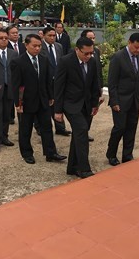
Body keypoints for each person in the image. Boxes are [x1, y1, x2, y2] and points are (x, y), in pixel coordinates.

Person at [10, 34, 66, 164]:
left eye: (39, 46)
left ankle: (51, 153)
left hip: (43, 100)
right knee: (25, 129)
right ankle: (27, 153)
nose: (37, 48)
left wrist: (51, 96)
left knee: (47, 127)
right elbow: (16, 85)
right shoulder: (18, 62)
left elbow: (48, 80)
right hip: (26, 101)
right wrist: (18, 103)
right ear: (26, 45)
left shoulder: (44, 60)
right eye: (34, 46)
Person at [54, 37, 100, 178]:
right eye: (85, 53)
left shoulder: (92, 61)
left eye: (91, 53)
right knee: (81, 131)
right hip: (70, 104)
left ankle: (72, 167)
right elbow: (59, 86)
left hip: (86, 105)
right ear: (77, 50)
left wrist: (94, 104)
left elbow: (94, 84)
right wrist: (58, 110)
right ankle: (83, 169)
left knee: (79, 135)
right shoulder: (65, 61)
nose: (88, 56)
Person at [106, 33, 139, 166]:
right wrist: (114, 101)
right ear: (129, 42)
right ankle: (111, 154)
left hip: (134, 100)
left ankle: (127, 155)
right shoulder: (118, 57)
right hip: (120, 100)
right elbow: (112, 82)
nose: (138, 50)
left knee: (131, 128)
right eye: (136, 47)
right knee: (119, 128)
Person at [39, 26, 71, 136]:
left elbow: (61, 62)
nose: (52, 38)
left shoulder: (59, 46)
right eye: (50, 36)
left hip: (58, 80)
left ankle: (60, 127)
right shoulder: (39, 47)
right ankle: (40, 126)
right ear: (43, 36)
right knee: (45, 104)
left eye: (54, 36)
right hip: (44, 81)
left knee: (58, 103)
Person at [80, 29, 104, 141]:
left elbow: (98, 71)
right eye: (90, 38)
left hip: (94, 88)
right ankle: (81, 132)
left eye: (94, 38)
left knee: (92, 111)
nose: (93, 40)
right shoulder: (75, 54)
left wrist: (101, 87)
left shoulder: (96, 51)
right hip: (81, 90)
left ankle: (86, 131)